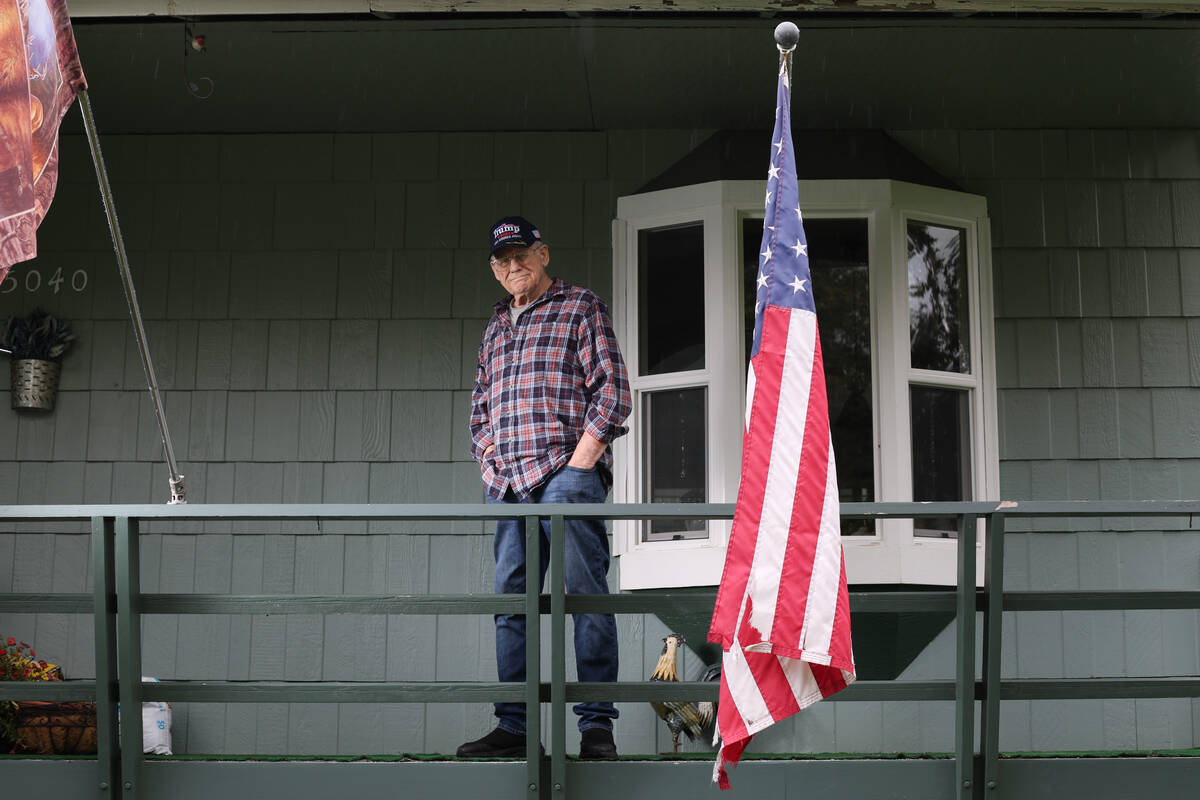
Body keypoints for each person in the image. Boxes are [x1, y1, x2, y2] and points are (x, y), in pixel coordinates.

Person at [458, 216, 632, 760]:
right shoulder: (495, 327)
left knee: (584, 599)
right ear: (494, 270)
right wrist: (491, 466)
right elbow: (480, 412)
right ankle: (515, 727)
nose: (515, 267)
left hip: (564, 474)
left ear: (544, 254)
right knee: (513, 607)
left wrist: (579, 468)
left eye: (523, 255)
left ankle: (596, 729)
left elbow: (614, 393)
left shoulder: (581, 306)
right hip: (509, 486)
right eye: (504, 261)